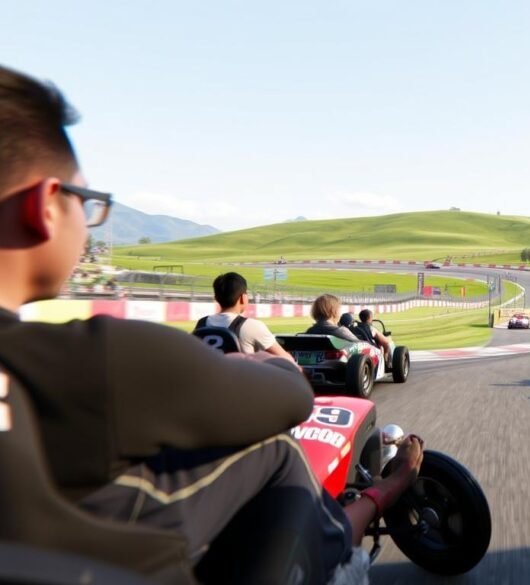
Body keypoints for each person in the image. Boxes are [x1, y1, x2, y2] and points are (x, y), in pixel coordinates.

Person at [0, 64, 422, 584]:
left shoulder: (198, 324)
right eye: (86, 204)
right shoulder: (103, 356)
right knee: (275, 450)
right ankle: (360, 530)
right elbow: (293, 394)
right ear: (45, 206)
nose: (88, 221)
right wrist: (265, 363)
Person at [195, 271, 297, 364]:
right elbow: (288, 361)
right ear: (243, 298)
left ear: (216, 298)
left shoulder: (201, 324)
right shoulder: (251, 326)